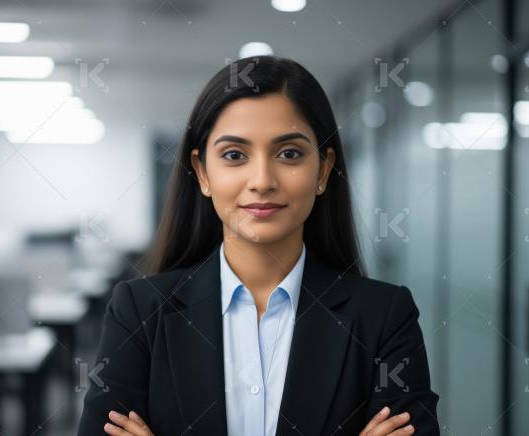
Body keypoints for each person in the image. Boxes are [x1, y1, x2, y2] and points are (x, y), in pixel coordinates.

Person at [77, 55, 440, 436]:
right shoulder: (140, 312)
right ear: (202, 173)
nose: (262, 179)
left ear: (323, 170)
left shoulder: (383, 318)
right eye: (235, 155)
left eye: (290, 154)